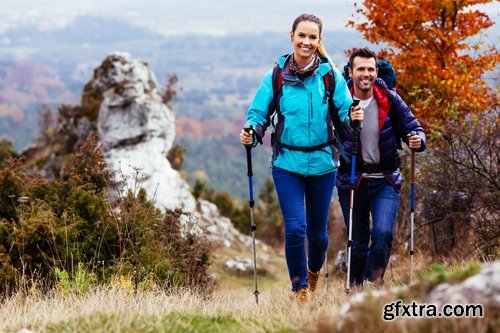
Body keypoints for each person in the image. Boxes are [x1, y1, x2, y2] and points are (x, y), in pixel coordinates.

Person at [239, 13, 354, 304]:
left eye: (312, 37)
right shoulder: (276, 75)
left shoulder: (329, 76)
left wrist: (352, 116)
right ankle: (299, 289)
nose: (306, 41)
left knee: (317, 236)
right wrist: (252, 130)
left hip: (323, 164)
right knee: (295, 228)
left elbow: (344, 113)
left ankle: (314, 272)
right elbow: (258, 113)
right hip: (286, 163)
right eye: (301, 35)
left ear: (319, 41)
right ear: (291, 36)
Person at [337, 47, 426, 288]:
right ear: (350, 71)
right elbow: (327, 132)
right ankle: (355, 291)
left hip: (385, 179)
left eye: (370, 69)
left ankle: (372, 284)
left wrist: (417, 139)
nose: (365, 74)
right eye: (360, 69)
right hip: (351, 180)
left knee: (383, 235)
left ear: (376, 72)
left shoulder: (389, 98)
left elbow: (413, 127)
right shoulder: (340, 99)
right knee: (356, 242)